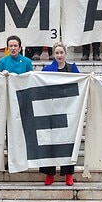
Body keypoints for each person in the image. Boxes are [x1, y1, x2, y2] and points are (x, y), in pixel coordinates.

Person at [40, 42, 80, 186]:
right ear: (53, 54)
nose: (59, 55)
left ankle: (68, 173)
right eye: (56, 53)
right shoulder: (46, 70)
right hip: (51, 110)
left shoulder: (73, 68)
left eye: (61, 52)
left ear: (65, 53)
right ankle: (49, 173)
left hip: (68, 110)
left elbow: (79, 85)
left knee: (68, 143)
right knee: (50, 142)